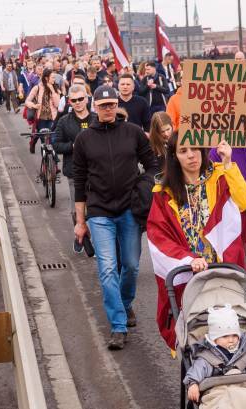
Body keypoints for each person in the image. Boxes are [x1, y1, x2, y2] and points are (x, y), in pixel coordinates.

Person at [146, 133, 246, 350]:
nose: (191, 155)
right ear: (174, 157)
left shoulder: (221, 177)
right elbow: (158, 236)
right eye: (183, 151)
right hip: (187, 273)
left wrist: (228, 162)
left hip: (221, 269)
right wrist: (188, 259)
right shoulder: (163, 193)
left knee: (229, 331)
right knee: (196, 338)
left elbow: (244, 201)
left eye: (194, 149)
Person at [73, 85, 158, 350]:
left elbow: (154, 164)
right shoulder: (84, 140)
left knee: (131, 265)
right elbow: (79, 182)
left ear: (116, 105)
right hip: (99, 212)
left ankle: (124, 302)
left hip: (129, 210)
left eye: (111, 104)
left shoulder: (133, 133)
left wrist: (143, 185)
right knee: (108, 268)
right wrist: (80, 221)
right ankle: (118, 326)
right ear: (95, 107)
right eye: (103, 105)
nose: (108, 109)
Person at [183, 304, 246, 409]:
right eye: (225, 336)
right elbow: (196, 372)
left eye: (235, 335)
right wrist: (193, 384)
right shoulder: (206, 357)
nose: (231, 340)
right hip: (220, 391)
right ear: (214, 338)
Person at [52, 84, 92, 232]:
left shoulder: (96, 118)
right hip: (74, 171)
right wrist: (73, 146)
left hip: (96, 171)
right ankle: (80, 235)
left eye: (80, 99)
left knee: (95, 208)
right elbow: (56, 145)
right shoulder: (64, 121)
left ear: (86, 99)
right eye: (74, 100)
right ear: (69, 101)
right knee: (77, 208)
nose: (77, 103)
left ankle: (95, 237)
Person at [25, 68, 61, 153]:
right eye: (52, 77)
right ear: (46, 78)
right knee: (44, 141)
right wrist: (34, 105)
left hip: (52, 118)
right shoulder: (37, 88)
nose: (54, 79)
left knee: (52, 140)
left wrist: (52, 91)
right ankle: (45, 162)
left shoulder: (56, 88)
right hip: (41, 119)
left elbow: (58, 105)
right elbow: (27, 101)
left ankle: (54, 161)